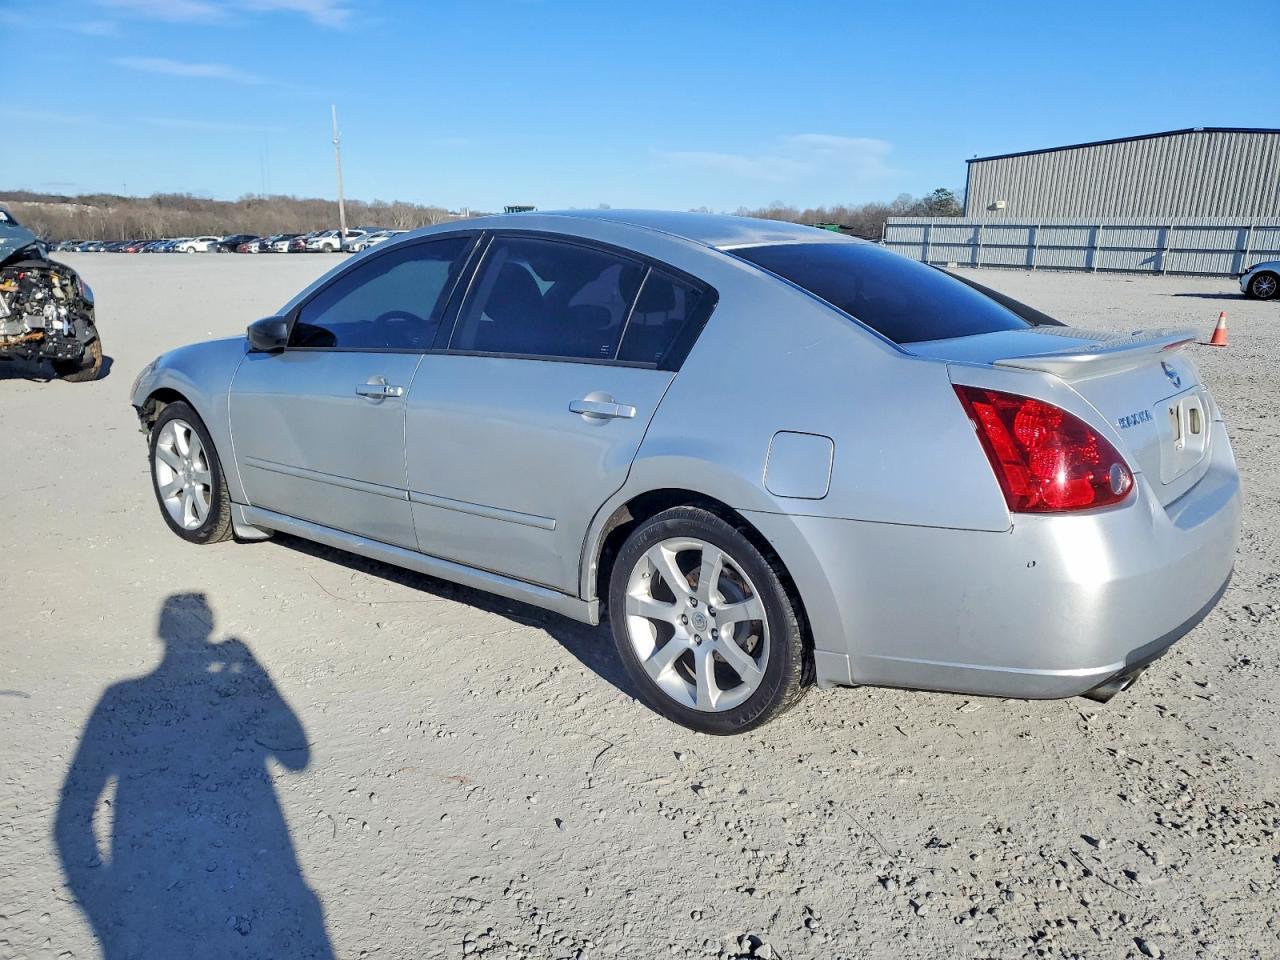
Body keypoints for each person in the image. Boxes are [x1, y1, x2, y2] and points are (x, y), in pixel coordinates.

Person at [55, 592, 333, 959]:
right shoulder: (119, 697)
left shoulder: (119, 697)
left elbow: (72, 816)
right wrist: (255, 670)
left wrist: (99, 903)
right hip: (238, 880)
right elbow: (297, 757)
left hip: (146, 896)